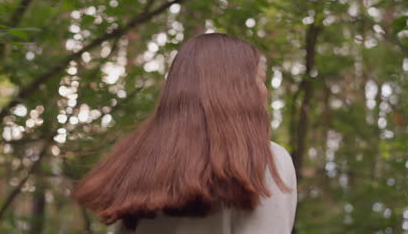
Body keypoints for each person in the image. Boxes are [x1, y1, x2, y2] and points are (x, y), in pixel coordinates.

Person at [72, 33, 297, 234]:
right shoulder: (267, 161)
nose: (264, 90)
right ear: (241, 90)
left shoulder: (140, 162)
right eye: (260, 79)